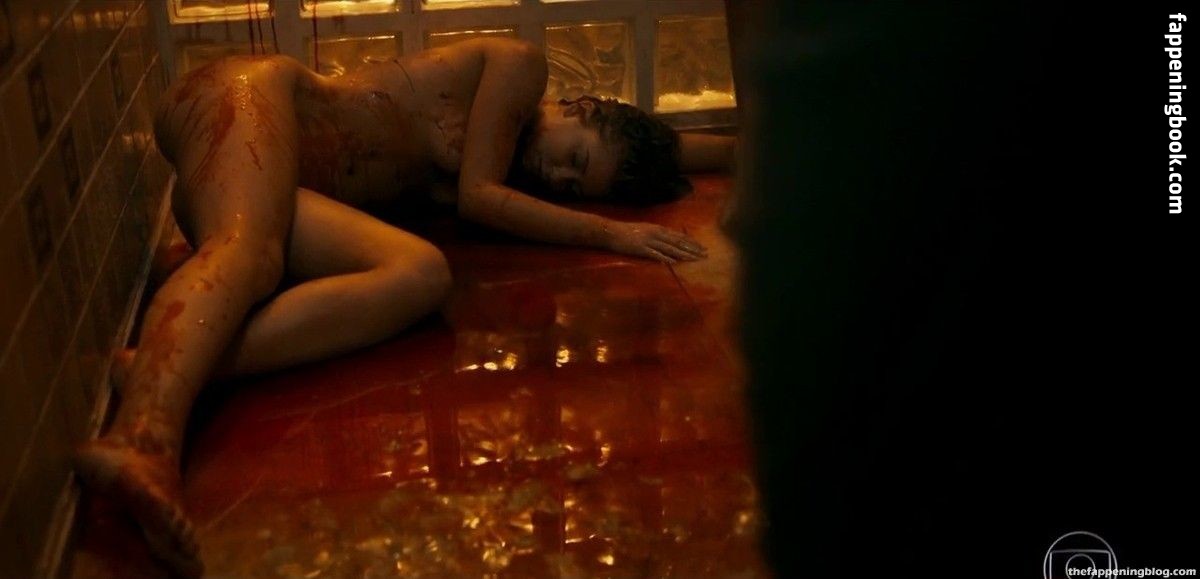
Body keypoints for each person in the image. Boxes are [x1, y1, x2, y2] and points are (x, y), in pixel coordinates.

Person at [72, 38, 736, 577]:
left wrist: (762, 147)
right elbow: (479, 196)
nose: (558, 178)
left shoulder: (525, 152)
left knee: (420, 273)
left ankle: (171, 364)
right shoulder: (519, 65)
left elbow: (674, 146)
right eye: (575, 158)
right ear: (580, 106)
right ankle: (142, 438)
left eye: (573, 186)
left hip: (267, 190)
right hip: (247, 103)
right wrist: (613, 234)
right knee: (252, 254)